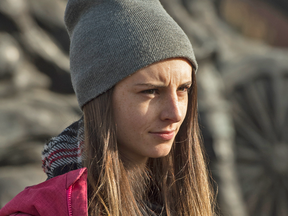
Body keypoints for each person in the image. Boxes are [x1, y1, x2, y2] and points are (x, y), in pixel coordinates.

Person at [0, 0, 215, 215]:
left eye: (183, 89)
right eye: (151, 91)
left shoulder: (185, 202)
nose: (175, 113)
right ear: (98, 96)